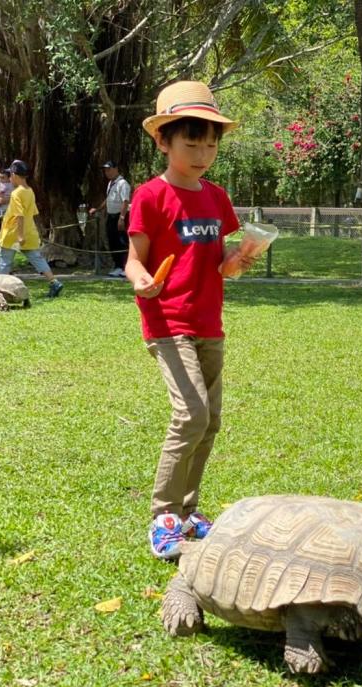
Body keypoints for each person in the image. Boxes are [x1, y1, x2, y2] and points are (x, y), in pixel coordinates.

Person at [125, 80, 253, 560]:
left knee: (211, 419)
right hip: (167, 320)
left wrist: (240, 259)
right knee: (191, 413)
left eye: (211, 142)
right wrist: (141, 279)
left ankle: (190, 510)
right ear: (164, 141)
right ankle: (163, 516)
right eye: (191, 142)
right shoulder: (150, 196)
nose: (203, 152)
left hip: (209, 321)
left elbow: (223, 263)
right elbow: (133, 260)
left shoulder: (217, 198)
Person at [0, 159, 63, 298]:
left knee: (4, 261)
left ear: (14, 175)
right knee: (37, 259)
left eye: (10, 175)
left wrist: (20, 236)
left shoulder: (16, 193)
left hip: (13, 235)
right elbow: (32, 213)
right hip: (29, 233)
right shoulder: (30, 191)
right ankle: (54, 282)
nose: (9, 178)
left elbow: (19, 215)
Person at [88, 161, 131, 277]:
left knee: (122, 242)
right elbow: (108, 199)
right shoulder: (111, 183)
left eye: (109, 169)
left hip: (120, 216)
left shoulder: (123, 184)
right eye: (106, 170)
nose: (107, 172)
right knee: (113, 241)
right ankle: (118, 266)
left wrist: (121, 218)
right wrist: (97, 209)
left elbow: (125, 201)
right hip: (111, 216)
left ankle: (126, 267)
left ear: (116, 169)